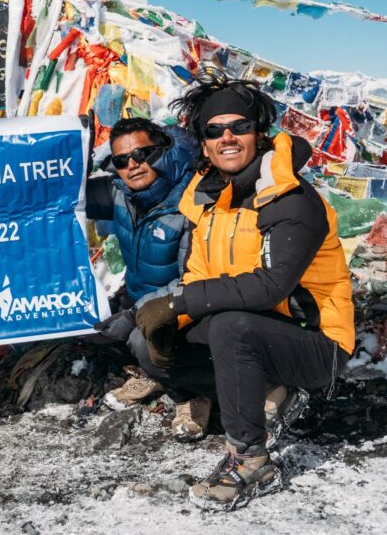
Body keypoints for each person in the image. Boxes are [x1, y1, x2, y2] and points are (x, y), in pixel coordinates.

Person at [133, 71, 355, 510]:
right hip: (262, 332)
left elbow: (271, 285)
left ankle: (251, 459)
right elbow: (200, 275)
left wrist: (180, 303)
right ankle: (267, 392)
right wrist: (151, 318)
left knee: (232, 326)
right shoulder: (212, 200)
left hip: (317, 344)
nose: (227, 137)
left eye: (239, 127)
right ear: (203, 143)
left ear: (259, 133)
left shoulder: (289, 198)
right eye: (214, 131)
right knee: (146, 342)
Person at [85, 118, 199, 417]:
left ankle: (192, 395)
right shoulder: (119, 192)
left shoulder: (191, 201)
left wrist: (134, 314)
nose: (133, 165)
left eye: (142, 154)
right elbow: (66, 194)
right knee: (92, 324)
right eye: (122, 160)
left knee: (141, 341)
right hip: (140, 302)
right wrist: (78, 157)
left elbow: (195, 277)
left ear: (162, 149)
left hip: (187, 309)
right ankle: (155, 375)